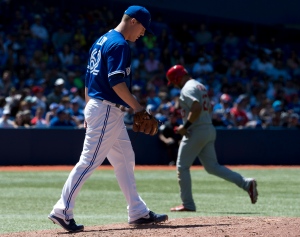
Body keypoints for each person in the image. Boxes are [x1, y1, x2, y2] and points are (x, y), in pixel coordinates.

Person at [48, 5, 168, 232]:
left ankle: (138, 211)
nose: (143, 33)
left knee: (125, 158)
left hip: (101, 107)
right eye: (143, 28)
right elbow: (116, 82)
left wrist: (87, 108)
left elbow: (87, 80)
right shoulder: (119, 44)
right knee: (89, 161)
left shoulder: (101, 40)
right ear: (133, 21)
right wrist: (139, 108)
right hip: (106, 109)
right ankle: (62, 210)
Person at [165, 65, 258, 212]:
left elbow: (196, 108)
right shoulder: (199, 85)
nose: (175, 84)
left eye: (174, 81)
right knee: (212, 167)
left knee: (182, 167)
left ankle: (188, 204)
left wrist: (185, 126)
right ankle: (246, 183)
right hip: (208, 127)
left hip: (196, 130)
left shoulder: (188, 88)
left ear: (177, 78)